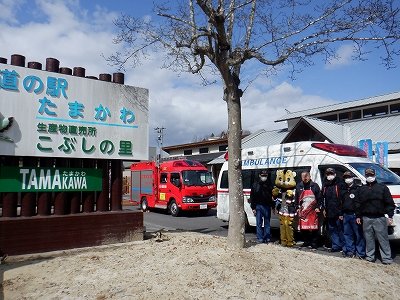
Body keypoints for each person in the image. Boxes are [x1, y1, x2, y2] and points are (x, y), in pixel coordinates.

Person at [356, 168, 396, 264]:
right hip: (366, 218)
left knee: (383, 239)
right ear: (365, 176)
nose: (370, 177)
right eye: (368, 175)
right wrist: (358, 216)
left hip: (379, 217)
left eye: (371, 175)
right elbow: (357, 204)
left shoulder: (382, 188)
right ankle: (370, 257)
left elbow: (389, 202)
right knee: (368, 239)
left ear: (374, 175)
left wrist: (390, 215)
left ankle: (386, 258)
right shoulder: (362, 189)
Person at [341, 171, 365, 259]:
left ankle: (361, 253)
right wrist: (341, 213)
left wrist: (359, 216)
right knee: (347, 234)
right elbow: (341, 202)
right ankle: (350, 251)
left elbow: (359, 204)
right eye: (346, 177)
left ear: (352, 178)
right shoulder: (343, 189)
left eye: (349, 177)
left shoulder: (357, 189)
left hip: (355, 215)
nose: (347, 179)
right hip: (345, 215)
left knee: (358, 235)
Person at [295, 170, 322, 249]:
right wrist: (297, 207)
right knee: (304, 228)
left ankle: (314, 243)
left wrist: (318, 207)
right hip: (303, 210)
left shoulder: (314, 186)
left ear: (310, 176)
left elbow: (319, 198)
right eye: (303, 177)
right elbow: (296, 198)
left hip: (313, 210)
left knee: (313, 228)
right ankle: (306, 242)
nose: (305, 178)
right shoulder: (299, 186)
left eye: (306, 176)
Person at [322, 168, 346, 253]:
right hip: (329, 212)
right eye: (328, 174)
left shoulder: (340, 184)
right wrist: (324, 209)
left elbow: (343, 199)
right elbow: (323, 198)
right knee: (332, 230)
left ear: (335, 174)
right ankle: (336, 246)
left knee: (341, 230)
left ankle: (344, 247)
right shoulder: (325, 185)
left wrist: (341, 212)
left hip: (338, 212)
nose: (329, 175)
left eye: (331, 173)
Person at [250, 170, 274, 243]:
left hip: (267, 206)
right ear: (259, 175)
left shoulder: (270, 185)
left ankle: (267, 237)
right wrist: (253, 208)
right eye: (263, 175)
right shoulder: (255, 185)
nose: (264, 177)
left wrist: (273, 206)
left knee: (267, 223)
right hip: (258, 206)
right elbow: (252, 197)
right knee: (259, 223)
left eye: (265, 176)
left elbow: (272, 197)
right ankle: (260, 238)